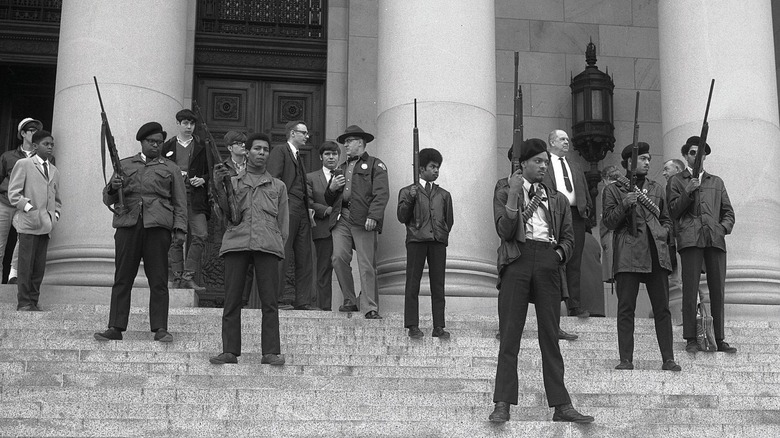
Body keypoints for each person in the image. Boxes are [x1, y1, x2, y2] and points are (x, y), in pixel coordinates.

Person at [488, 138, 594, 424]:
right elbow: (505, 230)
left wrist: (559, 254)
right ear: (523, 164)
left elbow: (569, 237)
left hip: (548, 259)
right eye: (538, 161)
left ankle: (562, 405)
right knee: (510, 336)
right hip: (517, 259)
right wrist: (512, 194)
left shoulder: (556, 198)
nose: (544, 166)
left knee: (551, 336)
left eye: (546, 162)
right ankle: (502, 404)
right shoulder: (504, 189)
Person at [94, 122, 187, 343]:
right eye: (151, 142)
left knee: (158, 279)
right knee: (123, 278)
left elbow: (181, 202)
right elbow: (108, 199)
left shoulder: (170, 168)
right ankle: (115, 327)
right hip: (129, 224)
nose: (155, 145)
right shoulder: (124, 165)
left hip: (157, 227)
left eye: (159, 142)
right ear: (142, 142)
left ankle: (160, 328)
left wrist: (180, 229)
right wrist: (113, 187)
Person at [209, 133, 287, 366]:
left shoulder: (278, 186)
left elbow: (284, 223)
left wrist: (278, 245)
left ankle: (271, 352)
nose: (261, 153)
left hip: (267, 245)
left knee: (270, 302)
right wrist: (218, 187)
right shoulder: (232, 182)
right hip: (237, 243)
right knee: (232, 299)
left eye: (265, 149)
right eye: (256, 149)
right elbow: (222, 217)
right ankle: (229, 351)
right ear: (247, 151)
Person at [602, 142, 680, 372]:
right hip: (629, 252)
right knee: (626, 308)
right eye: (643, 158)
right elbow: (608, 222)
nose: (648, 162)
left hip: (656, 251)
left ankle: (668, 358)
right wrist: (625, 205)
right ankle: (626, 358)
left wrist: (665, 232)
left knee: (662, 309)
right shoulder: (615, 189)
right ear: (629, 162)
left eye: (648, 158)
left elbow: (666, 219)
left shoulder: (656, 188)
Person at [667, 136, 736, 354]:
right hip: (690, 240)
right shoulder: (677, 181)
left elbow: (729, 213)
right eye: (692, 152)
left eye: (701, 152)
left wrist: (721, 228)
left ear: (705, 156)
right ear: (686, 155)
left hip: (714, 240)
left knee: (718, 290)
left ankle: (719, 337)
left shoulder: (716, 181)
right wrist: (688, 190)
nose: (697, 156)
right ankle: (690, 338)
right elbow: (673, 211)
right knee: (689, 289)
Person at [325, 125, 389, 320]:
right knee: (338, 258)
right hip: (341, 217)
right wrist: (332, 189)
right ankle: (350, 299)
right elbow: (329, 199)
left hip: (363, 218)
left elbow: (381, 194)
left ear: (360, 143)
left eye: (349, 141)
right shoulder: (341, 168)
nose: (345, 144)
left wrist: (374, 216)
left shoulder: (375, 165)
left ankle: (369, 306)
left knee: (366, 263)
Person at [397, 148, 454, 339]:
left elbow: (448, 220)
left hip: (437, 242)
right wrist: (412, 198)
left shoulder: (444, 195)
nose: (436, 170)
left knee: (438, 285)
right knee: (412, 283)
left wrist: (442, 234)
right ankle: (412, 324)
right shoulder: (407, 191)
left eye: (438, 167)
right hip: (416, 240)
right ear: (421, 169)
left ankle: (439, 326)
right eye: (432, 166)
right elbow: (402, 216)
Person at [267, 120, 319, 310]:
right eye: (303, 133)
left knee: (305, 255)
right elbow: (274, 180)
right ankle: (278, 299)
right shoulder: (280, 151)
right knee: (283, 252)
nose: (307, 136)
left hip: (302, 209)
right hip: (287, 206)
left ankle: (303, 301)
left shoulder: (298, 156)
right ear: (292, 133)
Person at [7, 130, 60, 311]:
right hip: (29, 223)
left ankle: (33, 300)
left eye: (52, 144)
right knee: (25, 265)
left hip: (46, 225)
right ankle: (24, 302)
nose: (50, 147)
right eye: (46, 144)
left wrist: (56, 215)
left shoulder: (54, 171)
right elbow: (13, 193)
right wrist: (29, 209)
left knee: (38, 267)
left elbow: (57, 199)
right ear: (35, 146)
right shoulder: (24, 164)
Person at [544, 129, 593, 318]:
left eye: (567, 139)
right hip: (553, 215)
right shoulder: (546, 163)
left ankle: (574, 305)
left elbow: (584, 190)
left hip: (576, 215)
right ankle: (553, 305)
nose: (567, 142)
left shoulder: (575, 164)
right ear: (552, 142)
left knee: (575, 261)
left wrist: (586, 208)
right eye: (562, 139)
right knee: (554, 259)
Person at [162, 109, 209, 292]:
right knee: (176, 238)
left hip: (195, 196)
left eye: (192, 124)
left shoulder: (201, 146)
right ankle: (177, 276)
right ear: (178, 124)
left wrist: (203, 179)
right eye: (185, 123)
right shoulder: (167, 147)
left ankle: (188, 275)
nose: (189, 127)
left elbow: (210, 171)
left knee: (201, 234)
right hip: (174, 198)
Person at [0, 117, 42, 285]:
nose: (34, 133)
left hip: (26, 205)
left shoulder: (42, 157)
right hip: (4, 203)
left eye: (36, 130)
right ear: (23, 133)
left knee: (23, 240)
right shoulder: (8, 156)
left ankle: (14, 274)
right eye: (31, 130)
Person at [306, 140, 341, 311]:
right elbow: (308, 202)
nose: (331, 157)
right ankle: (324, 308)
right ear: (321, 157)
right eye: (327, 154)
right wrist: (327, 210)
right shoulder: (311, 177)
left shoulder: (346, 176)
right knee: (324, 270)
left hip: (345, 229)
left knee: (345, 268)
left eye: (334, 154)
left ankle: (350, 302)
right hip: (323, 229)